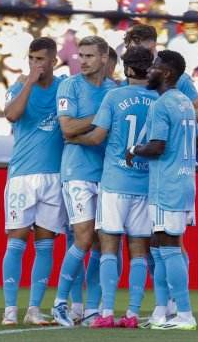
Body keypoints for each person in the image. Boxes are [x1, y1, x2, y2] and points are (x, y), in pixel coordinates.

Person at [67, 46, 156, 328]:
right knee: (139, 250)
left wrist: (72, 140)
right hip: (144, 183)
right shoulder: (158, 99)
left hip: (115, 183)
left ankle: (105, 312)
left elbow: (95, 138)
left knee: (108, 247)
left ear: (128, 69)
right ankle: (132, 314)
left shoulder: (114, 96)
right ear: (149, 69)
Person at [125, 50, 197, 330]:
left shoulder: (162, 104)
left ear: (166, 72)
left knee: (169, 247)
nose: (149, 72)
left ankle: (185, 314)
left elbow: (157, 147)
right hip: (181, 181)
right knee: (158, 246)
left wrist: (134, 149)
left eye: (154, 67)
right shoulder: (185, 102)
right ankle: (161, 311)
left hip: (168, 184)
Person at [1, 37, 67, 326]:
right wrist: (29, 82)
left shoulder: (64, 88)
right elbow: (12, 115)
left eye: (41, 59)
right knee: (16, 240)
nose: (35, 64)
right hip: (22, 176)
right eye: (31, 58)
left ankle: (33, 309)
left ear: (53, 61)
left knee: (46, 243)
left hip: (54, 175)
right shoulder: (18, 87)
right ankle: (9, 310)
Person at [52, 36, 117, 327]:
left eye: (90, 55)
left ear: (104, 59)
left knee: (103, 244)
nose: (84, 60)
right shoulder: (70, 85)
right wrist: (103, 116)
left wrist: (86, 126)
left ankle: (91, 308)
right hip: (77, 171)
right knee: (83, 237)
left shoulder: (113, 90)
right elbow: (67, 127)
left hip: (105, 173)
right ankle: (60, 303)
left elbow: (80, 129)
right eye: (81, 55)